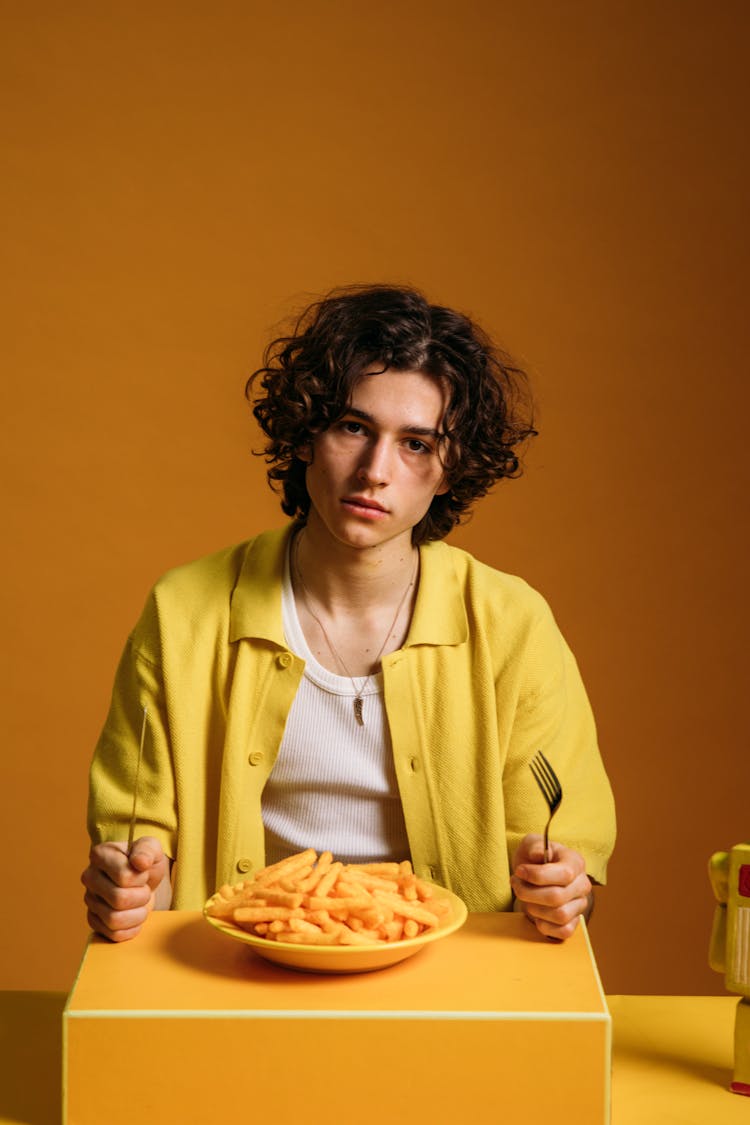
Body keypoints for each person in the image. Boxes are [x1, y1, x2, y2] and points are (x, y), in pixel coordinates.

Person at [81, 284, 616, 945]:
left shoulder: (512, 624)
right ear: (307, 434)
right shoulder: (183, 612)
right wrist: (132, 886)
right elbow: (146, 856)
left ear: (451, 468)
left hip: (453, 988)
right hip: (239, 974)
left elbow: (565, 869)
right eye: (353, 427)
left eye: (416, 443)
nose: (375, 471)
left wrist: (563, 887)